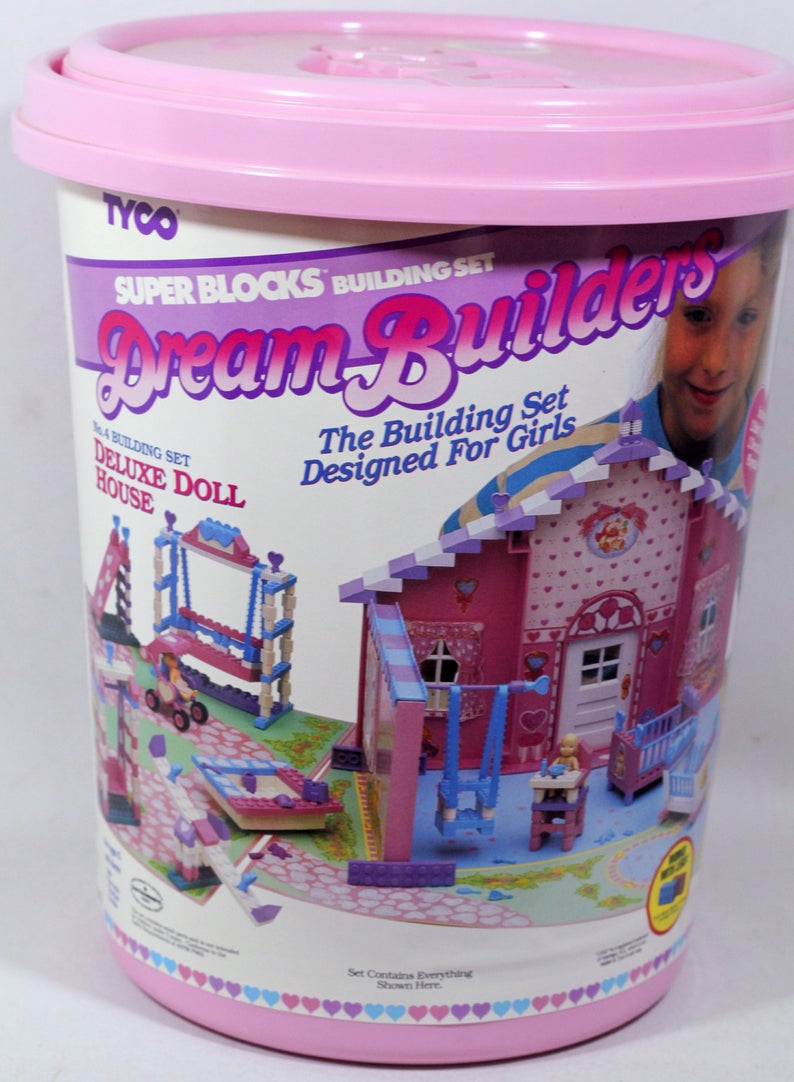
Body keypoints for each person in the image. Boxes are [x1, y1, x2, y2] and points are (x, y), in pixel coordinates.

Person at [442, 217, 785, 535]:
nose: (716, 362)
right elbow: (449, 554)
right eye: (697, 316)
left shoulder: (756, 460)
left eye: (746, 318)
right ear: (664, 312)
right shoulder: (558, 476)